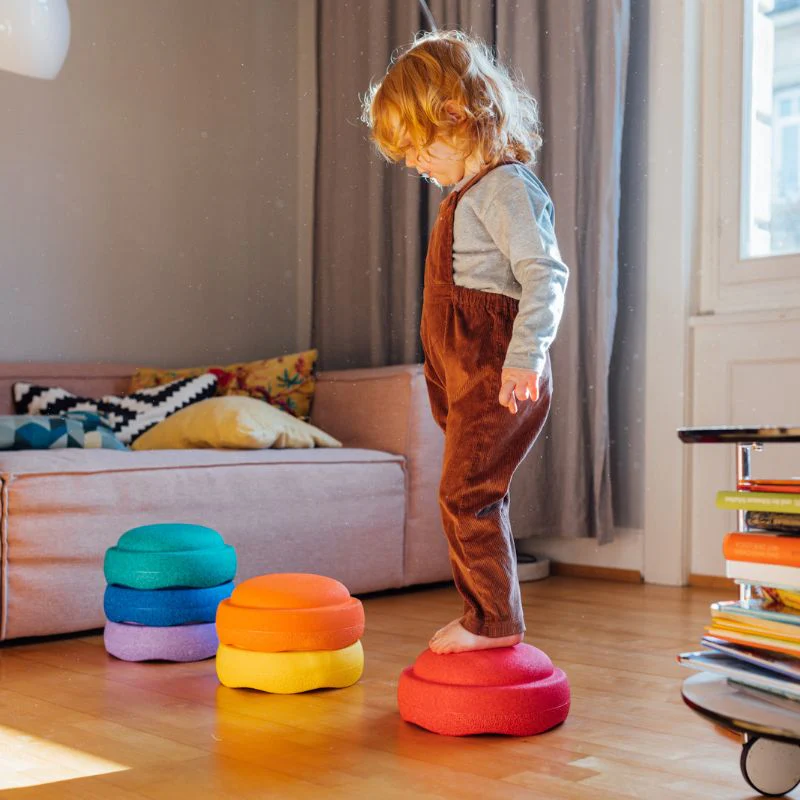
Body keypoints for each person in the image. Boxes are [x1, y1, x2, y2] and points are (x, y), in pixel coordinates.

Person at [362, 31, 568, 654]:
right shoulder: (469, 193)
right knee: (469, 493)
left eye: (419, 148)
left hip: (495, 367)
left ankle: (492, 622)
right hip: (462, 369)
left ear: (456, 115)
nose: (415, 165)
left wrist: (525, 357)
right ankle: (489, 615)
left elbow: (544, 273)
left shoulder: (505, 187)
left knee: (466, 494)